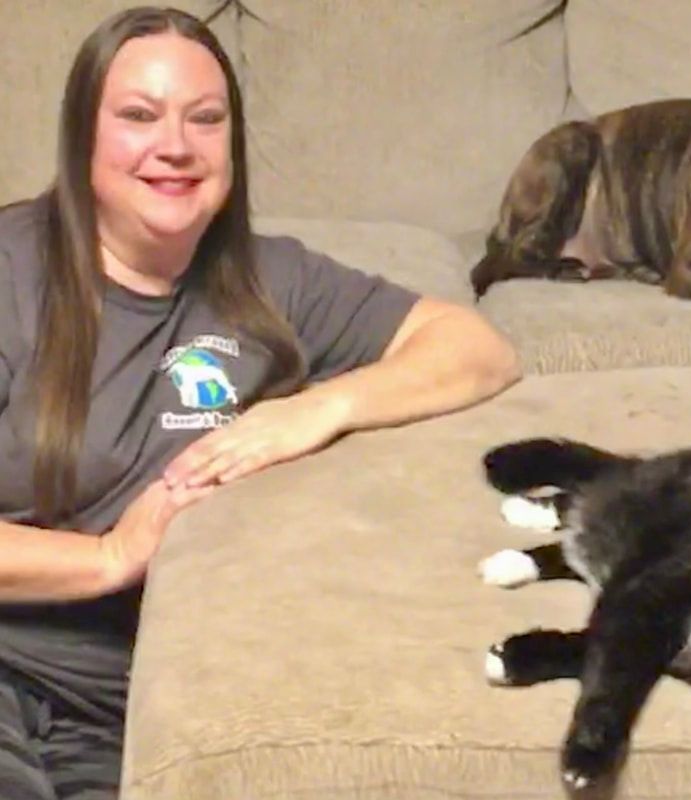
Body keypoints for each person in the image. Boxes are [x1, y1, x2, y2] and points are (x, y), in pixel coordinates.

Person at [0, 6, 520, 798]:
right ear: (82, 140)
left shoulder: (275, 282)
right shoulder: (10, 273)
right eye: (139, 116)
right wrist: (109, 557)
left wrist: (320, 408)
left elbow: (479, 349)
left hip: (130, 712)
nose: (175, 145)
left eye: (204, 120)